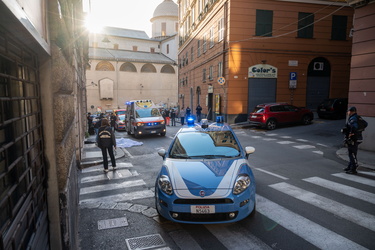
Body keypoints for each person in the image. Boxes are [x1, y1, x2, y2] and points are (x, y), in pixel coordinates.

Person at [342, 106, 363, 174]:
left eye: (348, 111)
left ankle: (353, 169)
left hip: (354, 139)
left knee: (352, 154)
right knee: (351, 153)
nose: (348, 112)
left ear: (351, 112)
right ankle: (349, 167)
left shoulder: (353, 118)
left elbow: (354, 127)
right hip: (357, 138)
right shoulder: (357, 117)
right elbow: (365, 124)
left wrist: (351, 134)